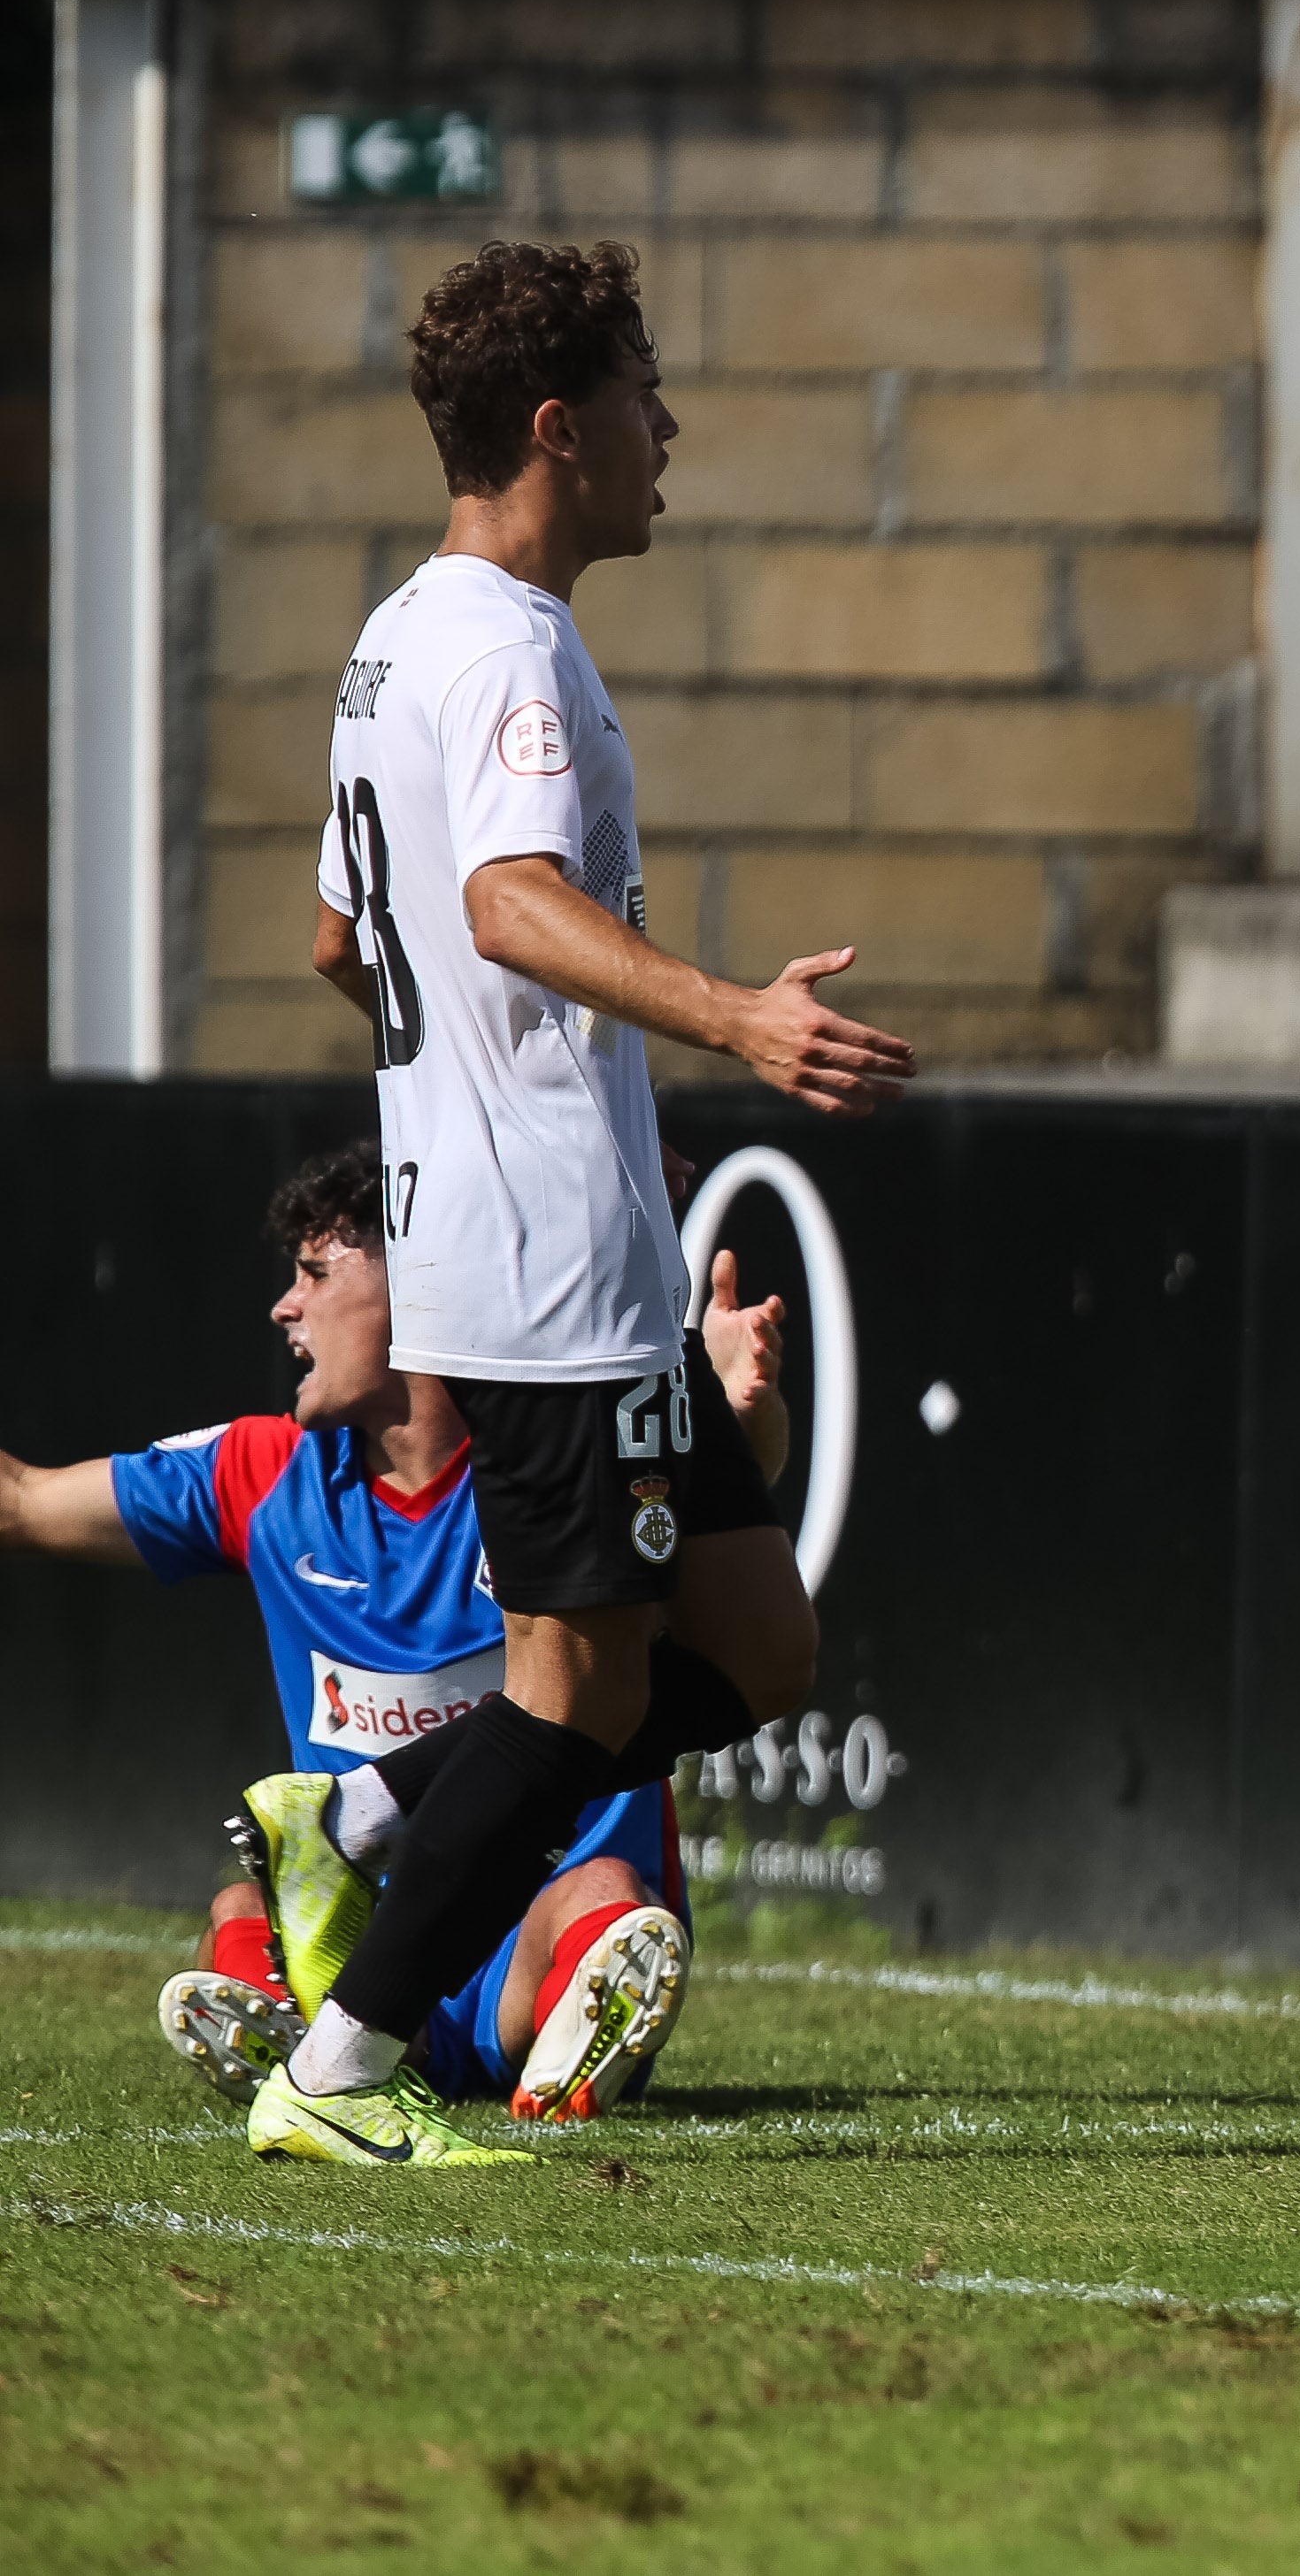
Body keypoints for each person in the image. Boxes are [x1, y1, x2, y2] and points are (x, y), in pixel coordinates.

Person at [242, 239, 912, 2170]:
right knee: (582, 1684)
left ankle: (368, 1819)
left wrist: (474, 1071)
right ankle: (344, 2068)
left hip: (537, 1231)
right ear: (559, 425)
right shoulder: (515, 646)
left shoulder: (397, 633)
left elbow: (333, 939)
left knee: (759, 1646)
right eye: (642, 393)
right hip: (553, 1264)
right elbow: (498, 907)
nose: (665, 429)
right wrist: (729, 1021)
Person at [0, 1144, 790, 2120]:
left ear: (419, 1286)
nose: (285, 1308)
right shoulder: (260, 1471)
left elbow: (696, 1539)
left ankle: (572, 2034)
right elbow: (23, 1502)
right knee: (241, 1907)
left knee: (603, 1887)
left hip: (532, 1930)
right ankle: (300, 2028)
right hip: (366, 1933)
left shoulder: (544, 1469)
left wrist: (724, 1414)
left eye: (315, 1273)